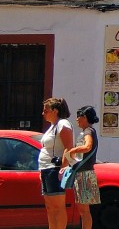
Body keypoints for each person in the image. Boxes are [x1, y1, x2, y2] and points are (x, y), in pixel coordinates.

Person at [62, 105, 100, 229]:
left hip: (85, 174)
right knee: (83, 210)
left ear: (85, 117)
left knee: (84, 211)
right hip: (81, 173)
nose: (77, 119)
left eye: (79, 116)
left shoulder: (88, 131)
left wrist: (73, 150)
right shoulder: (85, 132)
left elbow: (88, 146)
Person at [39, 97, 74, 229]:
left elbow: (68, 147)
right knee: (50, 207)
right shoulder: (53, 126)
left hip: (54, 169)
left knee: (57, 206)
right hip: (46, 169)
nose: (43, 113)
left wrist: (63, 168)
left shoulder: (63, 124)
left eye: (46, 110)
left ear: (55, 111)